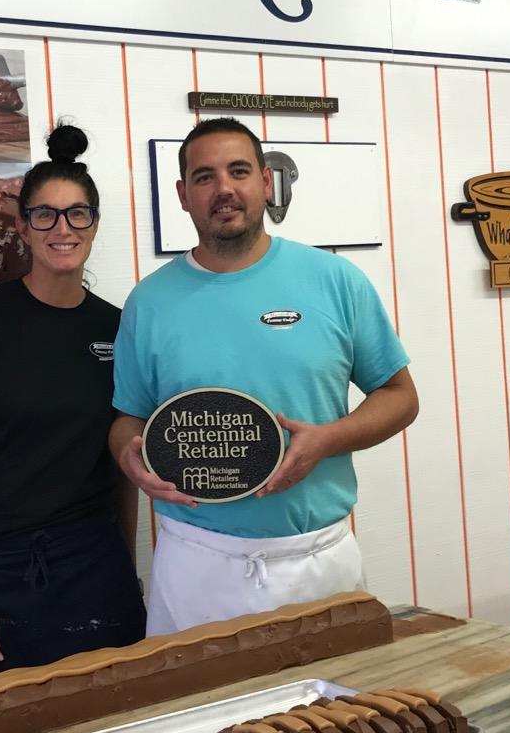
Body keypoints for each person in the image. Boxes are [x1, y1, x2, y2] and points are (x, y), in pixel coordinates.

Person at [110, 117, 419, 635]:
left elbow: (400, 397)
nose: (224, 189)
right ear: (183, 195)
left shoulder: (335, 280)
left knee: (331, 717)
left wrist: (328, 439)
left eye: (239, 171)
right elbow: (128, 418)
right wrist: (128, 457)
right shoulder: (149, 302)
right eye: (204, 177)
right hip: (195, 565)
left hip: (318, 561)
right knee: (197, 714)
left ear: (267, 182)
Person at [0, 124, 145, 685]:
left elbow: (125, 468)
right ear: (22, 225)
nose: (61, 228)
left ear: (94, 223)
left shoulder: (118, 328)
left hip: (95, 568)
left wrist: (128, 570)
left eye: (77, 214)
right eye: (44, 214)